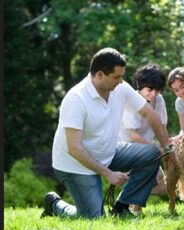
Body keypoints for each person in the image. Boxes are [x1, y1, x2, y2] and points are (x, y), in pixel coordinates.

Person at [41, 48, 171, 219]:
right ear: (100, 74)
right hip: (76, 164)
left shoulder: (120, 88)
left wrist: (168, 148)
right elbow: (74, 148)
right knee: (93, 218)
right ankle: (54, 204)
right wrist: (107, 173)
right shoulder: (76, 99)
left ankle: (122, 207)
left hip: (107, 152)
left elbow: (149, 114)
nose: (121, 81)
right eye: (117, 77)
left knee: (151, 154)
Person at [118, 63, 168, 196]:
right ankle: (132, 203)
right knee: (145, 180)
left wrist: (168, 149)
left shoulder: (159, 100)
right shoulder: (131, 100)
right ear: (140, 86)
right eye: (149, 90)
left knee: (163, 184)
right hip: (127, 149)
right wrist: (157, 149)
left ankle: (129, 198)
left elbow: (162, 127)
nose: (153, 94)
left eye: (157, 90)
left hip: (149, 149)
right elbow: (133, 136)